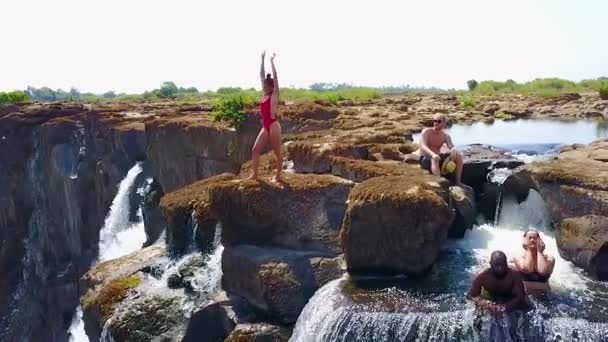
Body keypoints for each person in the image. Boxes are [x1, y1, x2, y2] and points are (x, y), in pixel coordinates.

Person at [248, 51, 283, 182]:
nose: (263, 87)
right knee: (255, 150)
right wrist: (262, 60)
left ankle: (278, 176)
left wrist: (272, 62)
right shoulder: (264, 95)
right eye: (263, 85)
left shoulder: (274, 95)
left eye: (265, 86)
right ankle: (255, 175)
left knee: (277, 152)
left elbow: (276, 77)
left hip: (274, 125)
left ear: (270, 87)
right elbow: (261, 75)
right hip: (265, 127)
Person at [416, 114, 471, 191]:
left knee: (458, 156)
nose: (436, 123)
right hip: (426, 158)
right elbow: (423, 146)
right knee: (434, 159)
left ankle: (458, 182)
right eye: (434, 121)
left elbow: (451, 146)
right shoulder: (426, 131)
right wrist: (433, 155)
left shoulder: (445, 135)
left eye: (439, 121)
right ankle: (440, 184)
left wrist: (454, 150)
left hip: (438, 157)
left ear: (444, 123)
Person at [468, 251, 527, 315]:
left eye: (502, 264)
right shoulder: (483, 277)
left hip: (509, 303)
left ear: (506, 263)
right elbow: (471, 296)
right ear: (491, 263)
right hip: (491, 301)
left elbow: (520, 297)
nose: (500, 268)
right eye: (497, 265)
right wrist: (487, 306)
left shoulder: (514, 276)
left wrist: (504, 307)